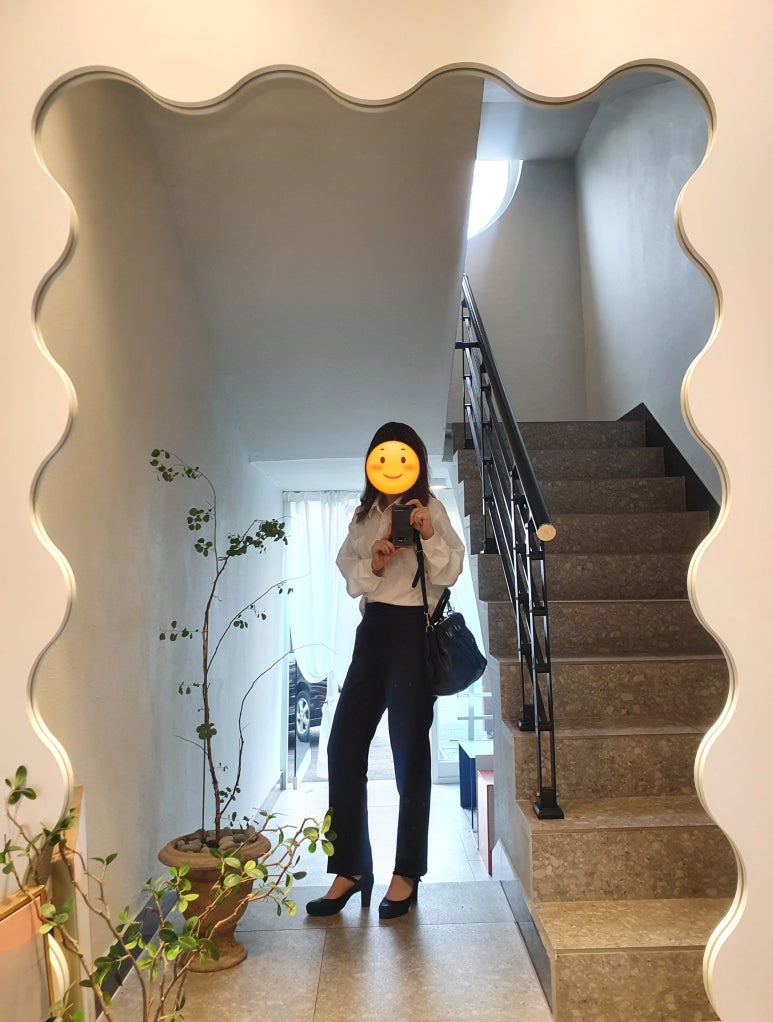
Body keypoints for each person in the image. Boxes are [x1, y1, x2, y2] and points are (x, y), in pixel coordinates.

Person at [305, 422, 465, 920]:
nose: (392, 466)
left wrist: (428, 534)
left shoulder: (429, 507)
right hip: (372, 630)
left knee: (409, 754)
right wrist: (375, 563)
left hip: (413, 633)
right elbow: (349, 573)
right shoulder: (365, 514)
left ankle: (406, 874)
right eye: (382, 456)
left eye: (401, 456)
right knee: (342, 746)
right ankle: (351, 868)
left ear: (415, 461)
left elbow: (451, 571)